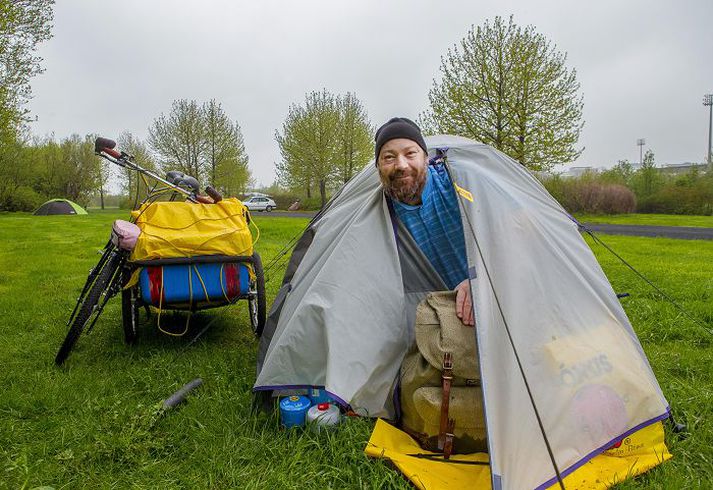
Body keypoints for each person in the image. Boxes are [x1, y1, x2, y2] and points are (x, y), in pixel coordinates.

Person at [374, 117, 474, 326]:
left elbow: (519, 225)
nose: (401, 165)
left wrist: (480, 279)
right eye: (389, 157)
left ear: (426, 158)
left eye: (410, 153)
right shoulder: (376, 214)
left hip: (498, 298)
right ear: (379, 167)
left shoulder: (459, 185)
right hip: (435, 324)